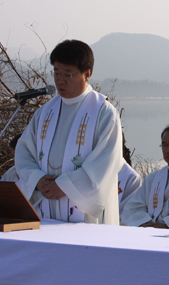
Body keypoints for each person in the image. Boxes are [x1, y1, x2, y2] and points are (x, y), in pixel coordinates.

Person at [15, 39, 122, 224]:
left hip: (85, 215)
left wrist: (65, 186)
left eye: (68, 74)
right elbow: (24, 153)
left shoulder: (103, 113)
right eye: (56, 73)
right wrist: (38, 180)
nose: (60, 81)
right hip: (46, 209)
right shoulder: (44, 113)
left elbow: (105, 163)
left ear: (87, 74)